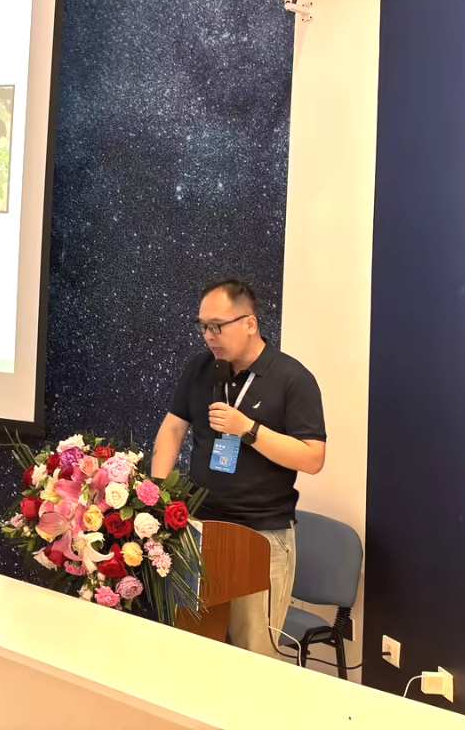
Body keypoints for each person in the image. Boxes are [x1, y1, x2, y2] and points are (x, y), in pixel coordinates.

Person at [150, 278, 326, 657]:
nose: (208, 336)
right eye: (203, 326)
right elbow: (172, 429)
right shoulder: (200, 369)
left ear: (249, 323)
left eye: (217, 326)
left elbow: (313, 458)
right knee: (192, 650)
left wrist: (248, 429)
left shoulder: (292, 378)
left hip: (260, 534)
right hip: (198, 530)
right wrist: (156, 495)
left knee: (253, 655)